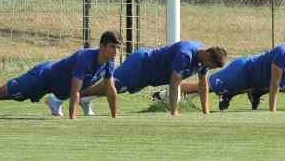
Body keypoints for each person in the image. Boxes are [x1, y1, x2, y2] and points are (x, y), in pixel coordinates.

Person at [0, 31, 121, 119]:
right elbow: (75, 91)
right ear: (102, 46)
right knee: (2, 91)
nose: (115, 51)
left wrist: (115, 117)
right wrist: (72, 119)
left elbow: (110, 89)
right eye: (112, 47)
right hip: (41, 77)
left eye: (117, 48)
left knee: (17, 97)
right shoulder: (85, 58)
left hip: (50, 86)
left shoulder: (109, 62)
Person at [96, 41, 227, 115]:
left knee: (114, 89)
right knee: (108, 87)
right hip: (141, 64)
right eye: (210, 65)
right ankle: (83, 92)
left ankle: (85, 98)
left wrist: (206, 113)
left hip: (148, 77)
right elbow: (174, 84)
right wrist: (174, 112)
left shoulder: (203, 61)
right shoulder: (185, 55)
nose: (208, 68)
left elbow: (203, 85)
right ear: (207, 55)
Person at [208, 27, 285, 112]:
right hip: (242, 69)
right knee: (208, 87)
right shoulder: (284, 53)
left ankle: (251, 94)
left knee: (282, 84)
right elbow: (275, 83)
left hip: (255, 81)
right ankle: (226, 94)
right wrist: (273, 111)